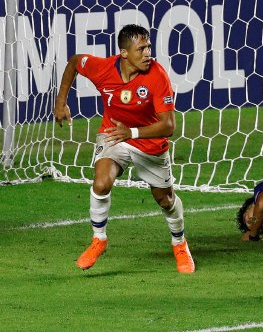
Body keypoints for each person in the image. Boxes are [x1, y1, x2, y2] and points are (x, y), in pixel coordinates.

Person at [53, 24, 195, 273]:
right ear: (124, 53)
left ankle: (179, 243)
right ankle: (99, 239)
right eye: (141, 48)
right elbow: (75, 61)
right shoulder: (104, 68)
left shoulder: (157, 75)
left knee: (166, 199)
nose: (148, 53)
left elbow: (168, 125)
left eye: (149, 47)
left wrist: (133, 133)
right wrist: (61, 101)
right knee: (100, 183)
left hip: (150, 143)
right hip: (114, 135)